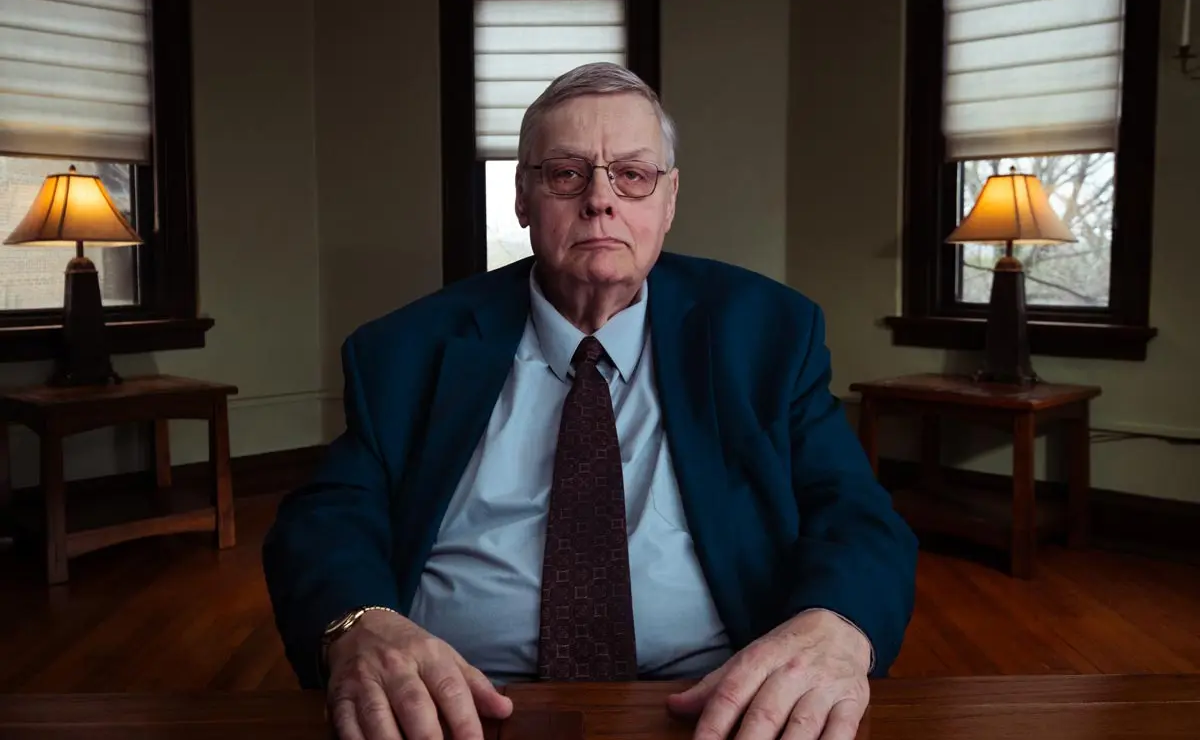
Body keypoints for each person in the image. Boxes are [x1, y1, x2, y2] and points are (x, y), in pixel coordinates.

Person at [262, 62, 918, 740]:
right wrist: (357, 621)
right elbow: (326, 519)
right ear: (523, 197)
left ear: (669, 199)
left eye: (631, 175)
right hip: (452, 709)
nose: (600, 200)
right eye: (567, 174)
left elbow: (859, 517)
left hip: (718, 708)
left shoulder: (769, 333)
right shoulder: (405, 348)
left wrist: (838, 625)